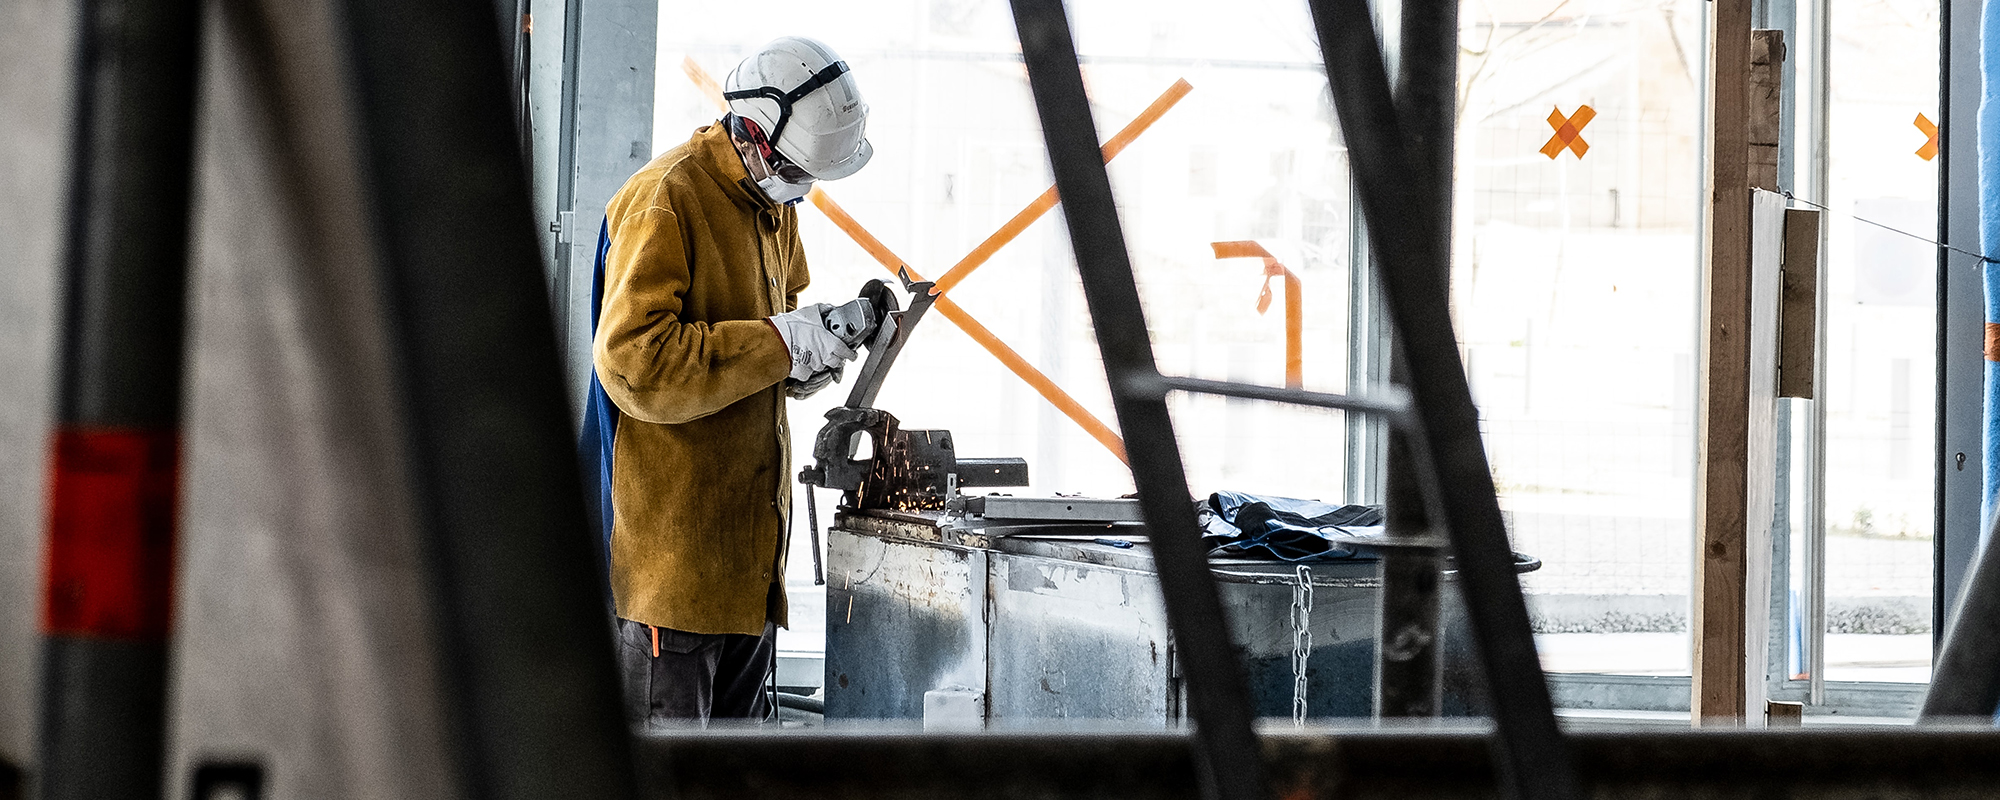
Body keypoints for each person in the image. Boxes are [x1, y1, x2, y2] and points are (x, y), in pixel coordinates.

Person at [586, 35, 872, 728]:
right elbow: (634, 363)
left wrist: (817, 351)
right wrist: (781, 343)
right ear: (749, 129)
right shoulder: (667, 200)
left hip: (748, 574)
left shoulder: (771, 205)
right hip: (674, 579)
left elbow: (761, 360)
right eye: (796, 169)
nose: (802, 188)